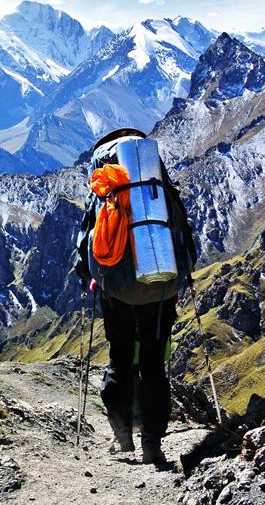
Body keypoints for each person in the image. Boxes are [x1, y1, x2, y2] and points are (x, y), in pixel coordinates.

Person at [73, 128, 190, 465]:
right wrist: (178, 281)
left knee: (120, 359)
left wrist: (95, 280)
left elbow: (86, 248)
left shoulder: (106, 192)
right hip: (161, 288)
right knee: (154, 364)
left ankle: (123, 435)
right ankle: (152, 443)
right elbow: (183, 238)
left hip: (117, 293)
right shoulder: (157, 192)